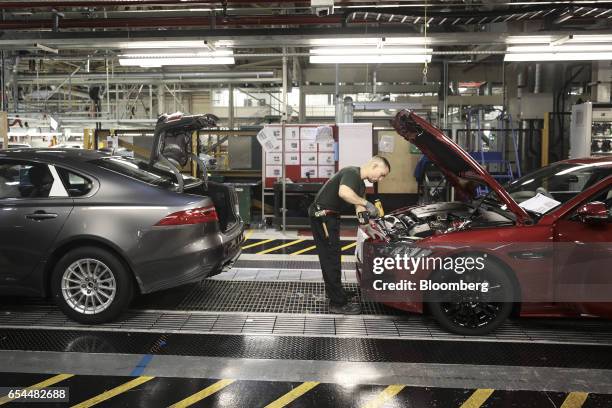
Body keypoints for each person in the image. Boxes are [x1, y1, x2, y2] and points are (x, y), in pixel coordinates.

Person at [309, 155, 391, 314]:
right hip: (323, 217)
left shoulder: (360, 184)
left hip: (329, 217)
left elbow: (359, 209)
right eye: (381, 174)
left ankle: (337, 292)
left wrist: (369, 227)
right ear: (374, 165)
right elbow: (344, 193)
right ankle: (337, 303)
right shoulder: (352, 173)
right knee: (331, 258)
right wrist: (366, 203)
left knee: (334, 256)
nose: (380, 179)